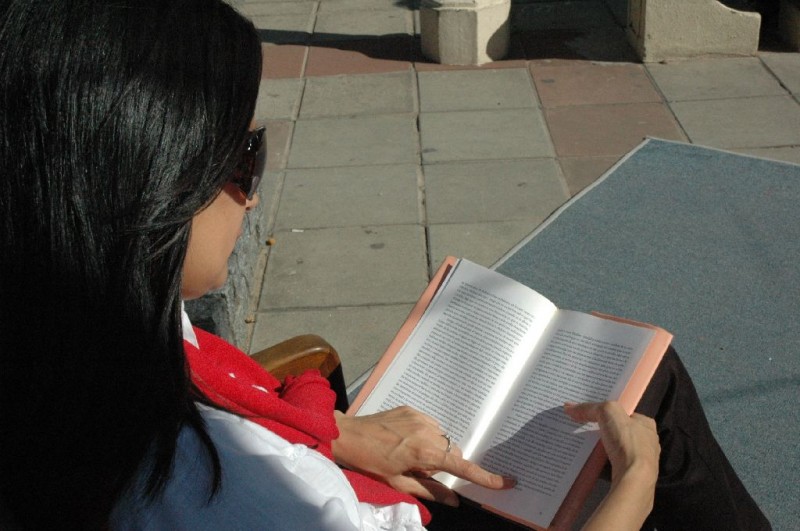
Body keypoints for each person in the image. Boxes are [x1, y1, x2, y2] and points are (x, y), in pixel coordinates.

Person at [0, 1, 770, 530]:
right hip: (391, 509)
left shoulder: (76, 341)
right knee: (649, 402)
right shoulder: (222, 490)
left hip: (350, 468)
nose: (254, 193)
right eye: (242, 157)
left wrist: (336, 433)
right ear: (155, 189)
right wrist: (632, 492)